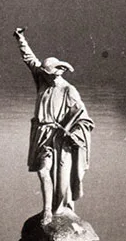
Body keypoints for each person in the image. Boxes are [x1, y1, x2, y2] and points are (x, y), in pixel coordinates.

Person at [15, 27, 94, 224]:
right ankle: (47, 210)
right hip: (42, 134)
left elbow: (83, 118)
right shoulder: (42, 81)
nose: (48, 76)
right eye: (45, 73)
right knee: (43, 171)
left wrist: (73, 132)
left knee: (61, 181)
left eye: (51, 73)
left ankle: (62, 209)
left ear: (60, 70)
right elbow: (30, 60)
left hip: (61, 139)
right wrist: (20, 39)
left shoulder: (69, 90)